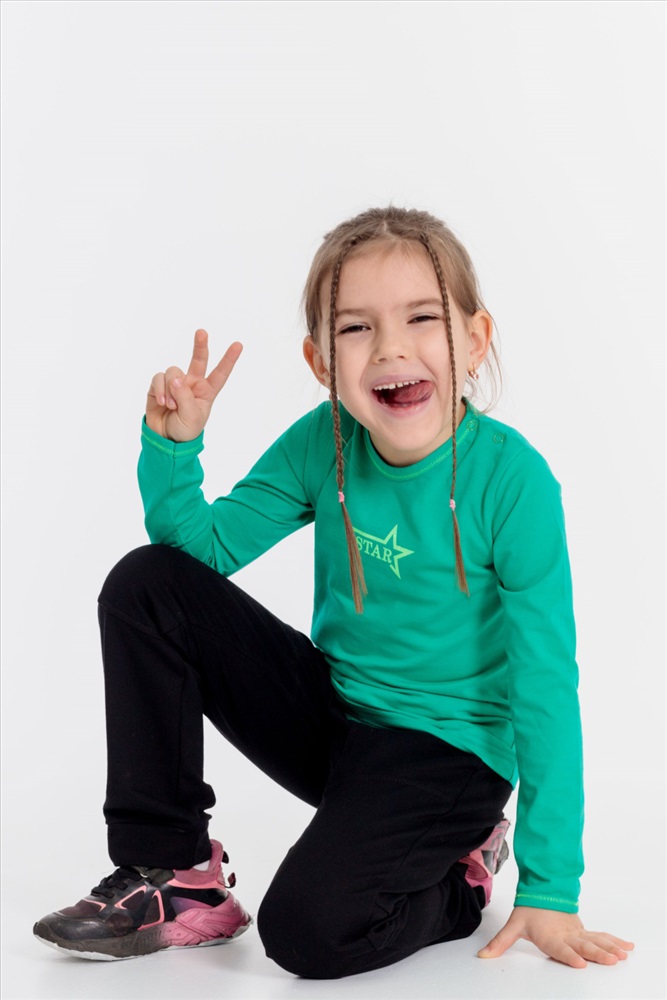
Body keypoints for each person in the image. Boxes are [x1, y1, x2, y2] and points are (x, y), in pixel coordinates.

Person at [34, 207, 633, 977]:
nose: (389, 348)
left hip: (449, 754)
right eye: (356, 328)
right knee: (147, 584)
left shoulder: (512, 482)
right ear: (321, 362)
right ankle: (177, 875)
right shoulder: (325, 440)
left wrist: (550, 888)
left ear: (474, 339)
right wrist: (175, 449)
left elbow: (546, 685)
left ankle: (460, 879)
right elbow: (199, 557)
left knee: (305, 932)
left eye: (421, 318)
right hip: (337, 719)